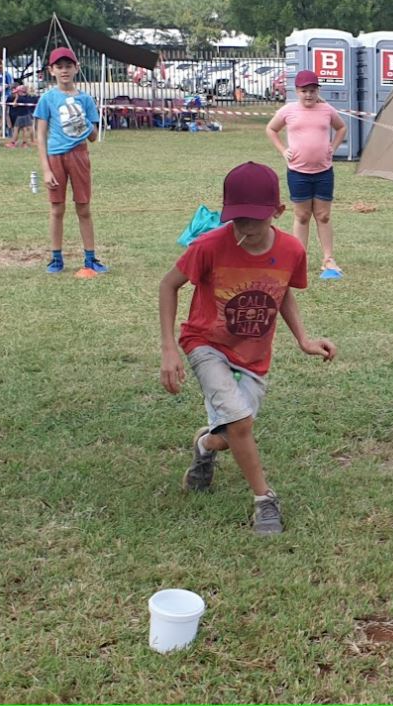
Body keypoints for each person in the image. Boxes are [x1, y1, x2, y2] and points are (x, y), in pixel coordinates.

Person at [159, 161, 336, 535]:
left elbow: (282, 291)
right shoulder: (208, 245)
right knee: (239, 423)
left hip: (253, 356)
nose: (246, 228)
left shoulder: (291, 250)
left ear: (278, 212)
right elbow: (168, 285)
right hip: (205, 343)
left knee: (232, 433)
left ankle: (205, 446)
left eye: (254, 219)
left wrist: (304, 339)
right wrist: (169, 349)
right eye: (238, 219)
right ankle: (264, 500)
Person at [265, 70, 347, 279]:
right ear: (297, 91)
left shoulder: (326, 110)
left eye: (312, 90)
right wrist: (283, 150)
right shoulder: (288, 110)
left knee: (323, 215)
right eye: (304, 91)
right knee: (302, 216)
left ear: (317, 90)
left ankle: (328, 259)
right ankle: (298, 259)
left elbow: (341, 128)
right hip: (298, 173)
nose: (308, 94)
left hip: (323, 172)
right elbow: (271, 129)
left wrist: (333, 147)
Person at [34, 47, 107, 275]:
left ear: (76, 68)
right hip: (56, 156)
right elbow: (40, 135)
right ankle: (56, 258)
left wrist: (83, 123)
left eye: (68, 66)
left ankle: (90, 258)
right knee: (57, 208)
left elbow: (94, 136)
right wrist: (46, 169)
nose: (64, 71)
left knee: (83, 207)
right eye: (59, 67)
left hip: (79, 155)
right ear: (52, 70)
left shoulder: (85, 99)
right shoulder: (47, 98)